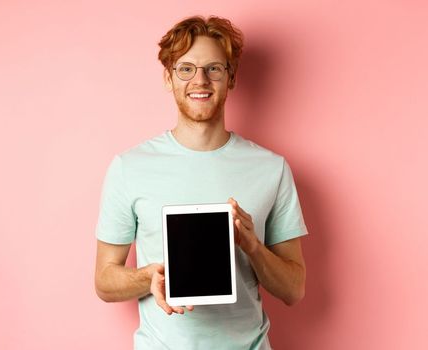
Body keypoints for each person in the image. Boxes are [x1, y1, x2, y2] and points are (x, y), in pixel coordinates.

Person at [93, 15, 308, 349]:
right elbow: (104, 280)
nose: (200, 80)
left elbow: (294, 290)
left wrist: (252, 246)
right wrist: (149, 276)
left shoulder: (272, 169)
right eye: (186, 69)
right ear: (169, 78)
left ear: (231, 78)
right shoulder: (129, 167)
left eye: (214, 69)